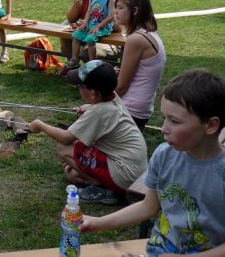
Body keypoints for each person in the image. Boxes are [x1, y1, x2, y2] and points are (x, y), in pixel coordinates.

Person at [80, 69, 225, 256]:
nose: (164, 129)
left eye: (174, 121)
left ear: (211, 125)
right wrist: (99, 223)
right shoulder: (164, 155)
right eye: (164, 119)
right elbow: (148, 206)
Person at [29, 60, 147, 204]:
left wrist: (39, 125)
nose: (78, 88)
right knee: (72, 175)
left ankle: (103, 189)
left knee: (64, 148)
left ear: (93, 93)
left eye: (80, 85)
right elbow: (101, 108)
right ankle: (101, 181)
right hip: (133, 169)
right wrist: (89, 106)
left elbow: (66, 138)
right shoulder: (112, 97)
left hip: (124, 174)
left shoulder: (98, 112)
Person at [114, 0, 166, 132]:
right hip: (142, 108)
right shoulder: (150, 34)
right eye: (115, 8)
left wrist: (98, 105)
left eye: (120, 8)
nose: (116, 12)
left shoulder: (136, 39)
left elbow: (122, 86)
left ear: (135, 10)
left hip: (130, 110)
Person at [59, 0, 116, 74]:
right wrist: (77, 9)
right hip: (91, 28)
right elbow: (71, 18)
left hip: (107, 36)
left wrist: (97, 26)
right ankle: (73, 62)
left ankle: (93, 69)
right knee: (70, 31)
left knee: (86, 48)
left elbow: (118, 25)